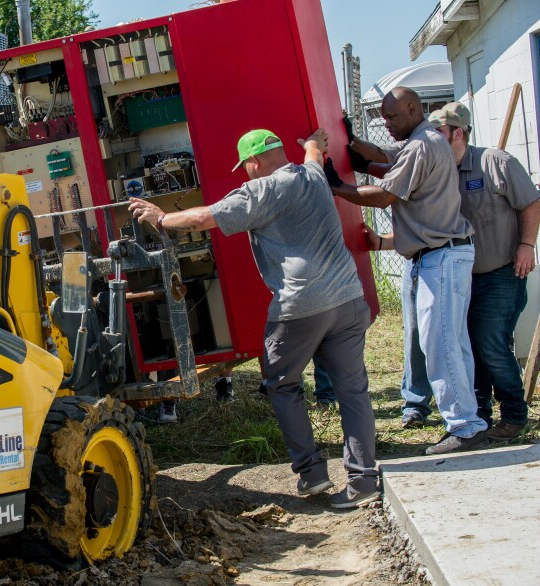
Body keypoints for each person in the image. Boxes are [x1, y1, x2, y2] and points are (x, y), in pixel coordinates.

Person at [130, 128, 379, 509]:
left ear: (253, 162)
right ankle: (363, 481)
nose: (245, 172)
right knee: (353, 391)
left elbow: (202, 219)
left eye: (244, 166)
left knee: (281, 383)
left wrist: (161, 218)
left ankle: (312, 474)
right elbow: (314, 154)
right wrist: (313, 142)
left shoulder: (261, 190)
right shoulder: (311, 174)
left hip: (300, 307)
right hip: (347, 298)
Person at [326, 86, 489, 455]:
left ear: (413, 109)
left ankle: (464, 426)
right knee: (451, 344)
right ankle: (469, 420)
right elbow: (381, 155)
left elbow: (384, 194)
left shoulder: (422, 144)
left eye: (393, 116)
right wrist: (350, 141)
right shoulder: (422, 139)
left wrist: (336, 185)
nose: (387, 123)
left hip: (441, 257)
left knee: (441, 344)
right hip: (440, 257)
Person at [425, 102, 539, 441]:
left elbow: (531, 201)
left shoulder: (495, 162)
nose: (431, 141)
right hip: (460, 278)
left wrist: (526, 245)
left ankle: (515, 417)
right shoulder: (438, 173)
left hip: (502, 272)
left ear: (457, 133)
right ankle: (479, 418)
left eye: (438, 134)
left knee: (490, 343)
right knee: (467, 348)